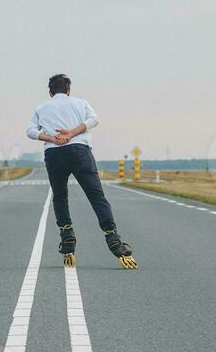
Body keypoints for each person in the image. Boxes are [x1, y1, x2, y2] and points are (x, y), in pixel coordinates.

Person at [26, 74, 138, 269]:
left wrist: (52, 138)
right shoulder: (80, 103)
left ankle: (67, 240)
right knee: (97, 197)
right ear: (69, 90)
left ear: (50, 92)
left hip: (54, 154)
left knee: (60, 197)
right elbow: (94, 120)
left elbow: (30, 131)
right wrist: (71, 133)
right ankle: (114, 241)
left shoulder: (41, 107)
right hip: (79, 151)